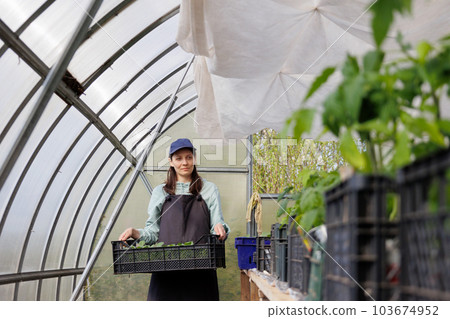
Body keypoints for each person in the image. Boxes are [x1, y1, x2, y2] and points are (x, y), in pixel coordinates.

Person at [119, 138, 230, 301]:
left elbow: (217, 224)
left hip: (201, 272)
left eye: (189, 157)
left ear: (194, 159)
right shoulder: (160, 192)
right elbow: (153, 232)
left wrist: (220, 228)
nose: (184, 162)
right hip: (166, 274)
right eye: (178, 158)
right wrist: (135, 232)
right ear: (170, 162)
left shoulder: (208, 189)